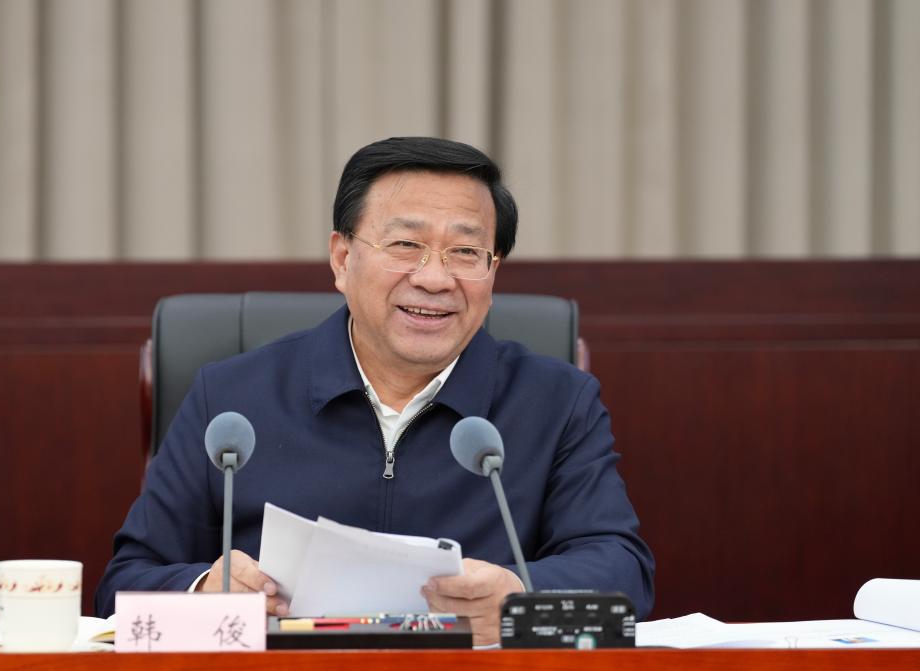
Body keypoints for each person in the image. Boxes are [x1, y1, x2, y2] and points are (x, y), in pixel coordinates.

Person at [95, 137, 654, 645]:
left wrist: (520, 594)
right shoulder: (231, 397)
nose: (435, 278)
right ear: (343, 259)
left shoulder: (556, 401)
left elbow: (623, 573)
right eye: (406, 245)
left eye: (465, 252)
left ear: (493, 271)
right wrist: (203, 590)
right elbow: (123, 588)